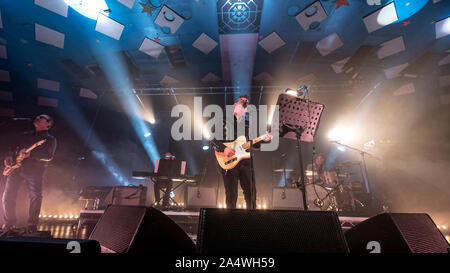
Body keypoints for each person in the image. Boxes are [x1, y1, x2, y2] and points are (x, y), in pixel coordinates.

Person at [210, 95, 272, 209]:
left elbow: (252, 143)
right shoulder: (223, 121)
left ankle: (251, 219)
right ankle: (231, 220)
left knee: (251, 192)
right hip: (228, 160)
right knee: (232, 194)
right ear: (235, 105)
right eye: (242, 102)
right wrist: (224, 148)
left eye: (246, 103)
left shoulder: (247, 124)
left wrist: (264, 140)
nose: (244, 104)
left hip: (245, 162)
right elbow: (213, 139)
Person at [2, 114, 57, 233]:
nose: (37, 118)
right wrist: (9, 157)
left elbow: (49, 156)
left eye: (41, 117)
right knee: (7, 195)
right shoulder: (25, 135)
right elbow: (13, 149)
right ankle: (8, 224)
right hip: (16, 169)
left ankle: (32, 225)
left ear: (48, 124)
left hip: (34, 170)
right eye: (37, 117)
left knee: (35, 196)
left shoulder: (49, 139)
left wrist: (31, 155)